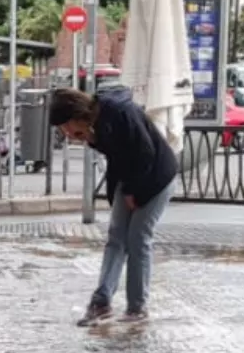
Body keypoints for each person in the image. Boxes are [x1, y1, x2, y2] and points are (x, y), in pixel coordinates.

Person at [49, 87, 179, 324]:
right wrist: (91, 138)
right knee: (116, 237)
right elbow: (117, 157)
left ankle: (137, 307)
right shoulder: (95, 125)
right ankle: (101, 302)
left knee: (138, 237)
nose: (66, 133)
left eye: (66, 126)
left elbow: (146, 153)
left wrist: (132, 192)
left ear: (78, 115)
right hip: (129, 177)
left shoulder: (120, 112)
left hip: (158, 176)